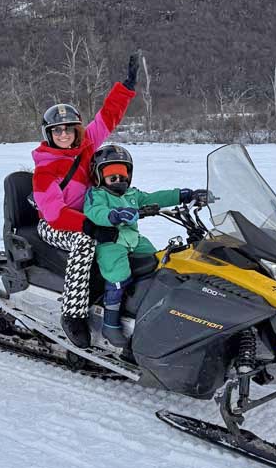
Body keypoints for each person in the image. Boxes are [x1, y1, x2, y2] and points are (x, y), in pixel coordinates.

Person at [32, 53, 139, 349]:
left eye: (68, 128)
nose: (64, 134)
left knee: (124, 233)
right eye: (57, 130)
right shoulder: (45, 169)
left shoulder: (86, 145)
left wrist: (126, 88)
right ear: (49, 134)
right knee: (86, 243)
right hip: (55, 225)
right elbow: (54, 213)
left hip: (89, 217)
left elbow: (108, 116)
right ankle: (73, 313)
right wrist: (90, 227)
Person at [83, 144, 208, 349]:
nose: (118, 180)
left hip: (133, 239)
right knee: (119, 275)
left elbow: (153, 198)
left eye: (122, 175)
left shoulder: (132, 194)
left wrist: (184, 195)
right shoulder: (97, 195)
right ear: (98, 176)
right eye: (111, 176)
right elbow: (95, 212)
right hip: (111, 242)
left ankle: (145, 303)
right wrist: (114, 215)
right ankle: (110, 323)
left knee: (158, 260)